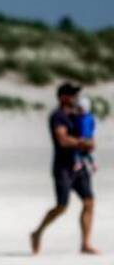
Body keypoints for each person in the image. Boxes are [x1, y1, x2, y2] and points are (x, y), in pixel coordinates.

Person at [31, 82, 98, 255]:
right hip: (63, 167)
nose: (76, 98)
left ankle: (85, 243)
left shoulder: (78, 115)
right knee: (62, 206)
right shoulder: (58, 116)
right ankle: (37, 232)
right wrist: (82, 143)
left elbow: (86, 132)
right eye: (72, 95)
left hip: (79, 166)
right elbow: (63, 139)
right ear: (63, 97)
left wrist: (89, 144)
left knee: (89, 202)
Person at [75, 96, 97, 173]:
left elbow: (92, 128)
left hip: (88, 138)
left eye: (82, 108)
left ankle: (93, 164)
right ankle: (78, 163)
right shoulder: (77, 117)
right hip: (79, 137)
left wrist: (92, 139)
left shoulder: (90, 117)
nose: (80, 110)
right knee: (77, 151)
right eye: (79, 108)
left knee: (88, 152)